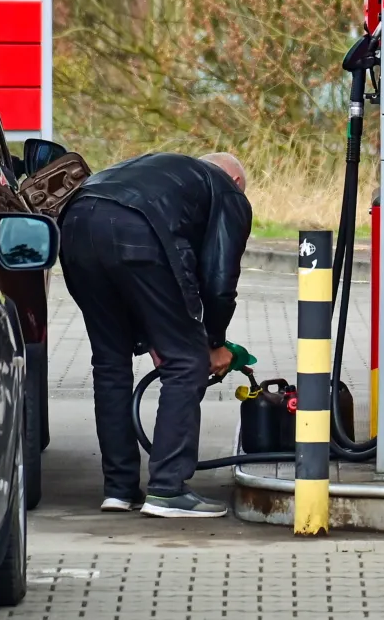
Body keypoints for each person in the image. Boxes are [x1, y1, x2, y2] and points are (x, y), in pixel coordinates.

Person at [58, 151, 253, 519]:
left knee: (110, 363)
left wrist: (153, 338)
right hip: (136, 228)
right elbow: (219, 279)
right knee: (186, 362)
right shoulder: (228, 191)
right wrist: (212, 343)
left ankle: (119, 489)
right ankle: (167, 489)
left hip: (75, 223)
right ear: (237, 181)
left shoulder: (164, 172)